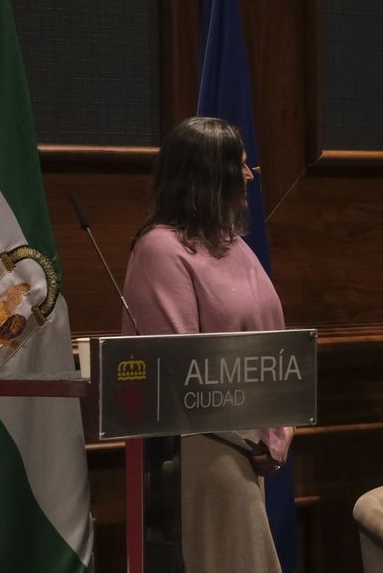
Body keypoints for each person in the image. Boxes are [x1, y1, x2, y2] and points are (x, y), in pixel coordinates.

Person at [120, 116, 291, 573]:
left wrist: (277, 433)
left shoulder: (236, 245)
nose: (250, 175)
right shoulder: (161, 250)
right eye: (240, 164)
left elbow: (275, 348)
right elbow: (178, 369)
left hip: (248, 448)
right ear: (207, 173)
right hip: (200, 450)